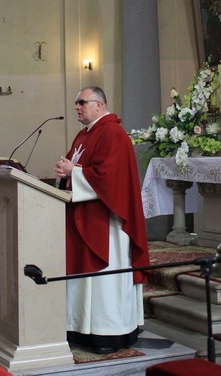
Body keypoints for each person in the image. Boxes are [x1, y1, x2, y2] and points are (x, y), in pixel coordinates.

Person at [54, 86, 150, 354]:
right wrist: (66, 172)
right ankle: (81, 328)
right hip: (83, 215)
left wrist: (74, 171)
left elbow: (110, 177)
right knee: (83, 279)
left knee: (105, 280)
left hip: (106, 220)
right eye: (76, 103)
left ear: (99, 104)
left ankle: (107, 332)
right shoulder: (84, 135)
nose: (76, 107)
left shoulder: (113, 133)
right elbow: (79, 169)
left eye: (81, 102)